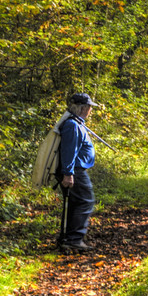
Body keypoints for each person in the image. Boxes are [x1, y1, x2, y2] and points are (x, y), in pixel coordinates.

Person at [56, 93, 102, 254]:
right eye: (89, 107)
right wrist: (68, 174)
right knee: (85, 201)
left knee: (76, 203)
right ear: (83, 108)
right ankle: (74, 239)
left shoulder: (75, 123)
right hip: (75, 170)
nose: (90, 110)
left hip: (75, 170)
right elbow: (69, 151)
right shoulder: (72, 125)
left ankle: (67, 238)